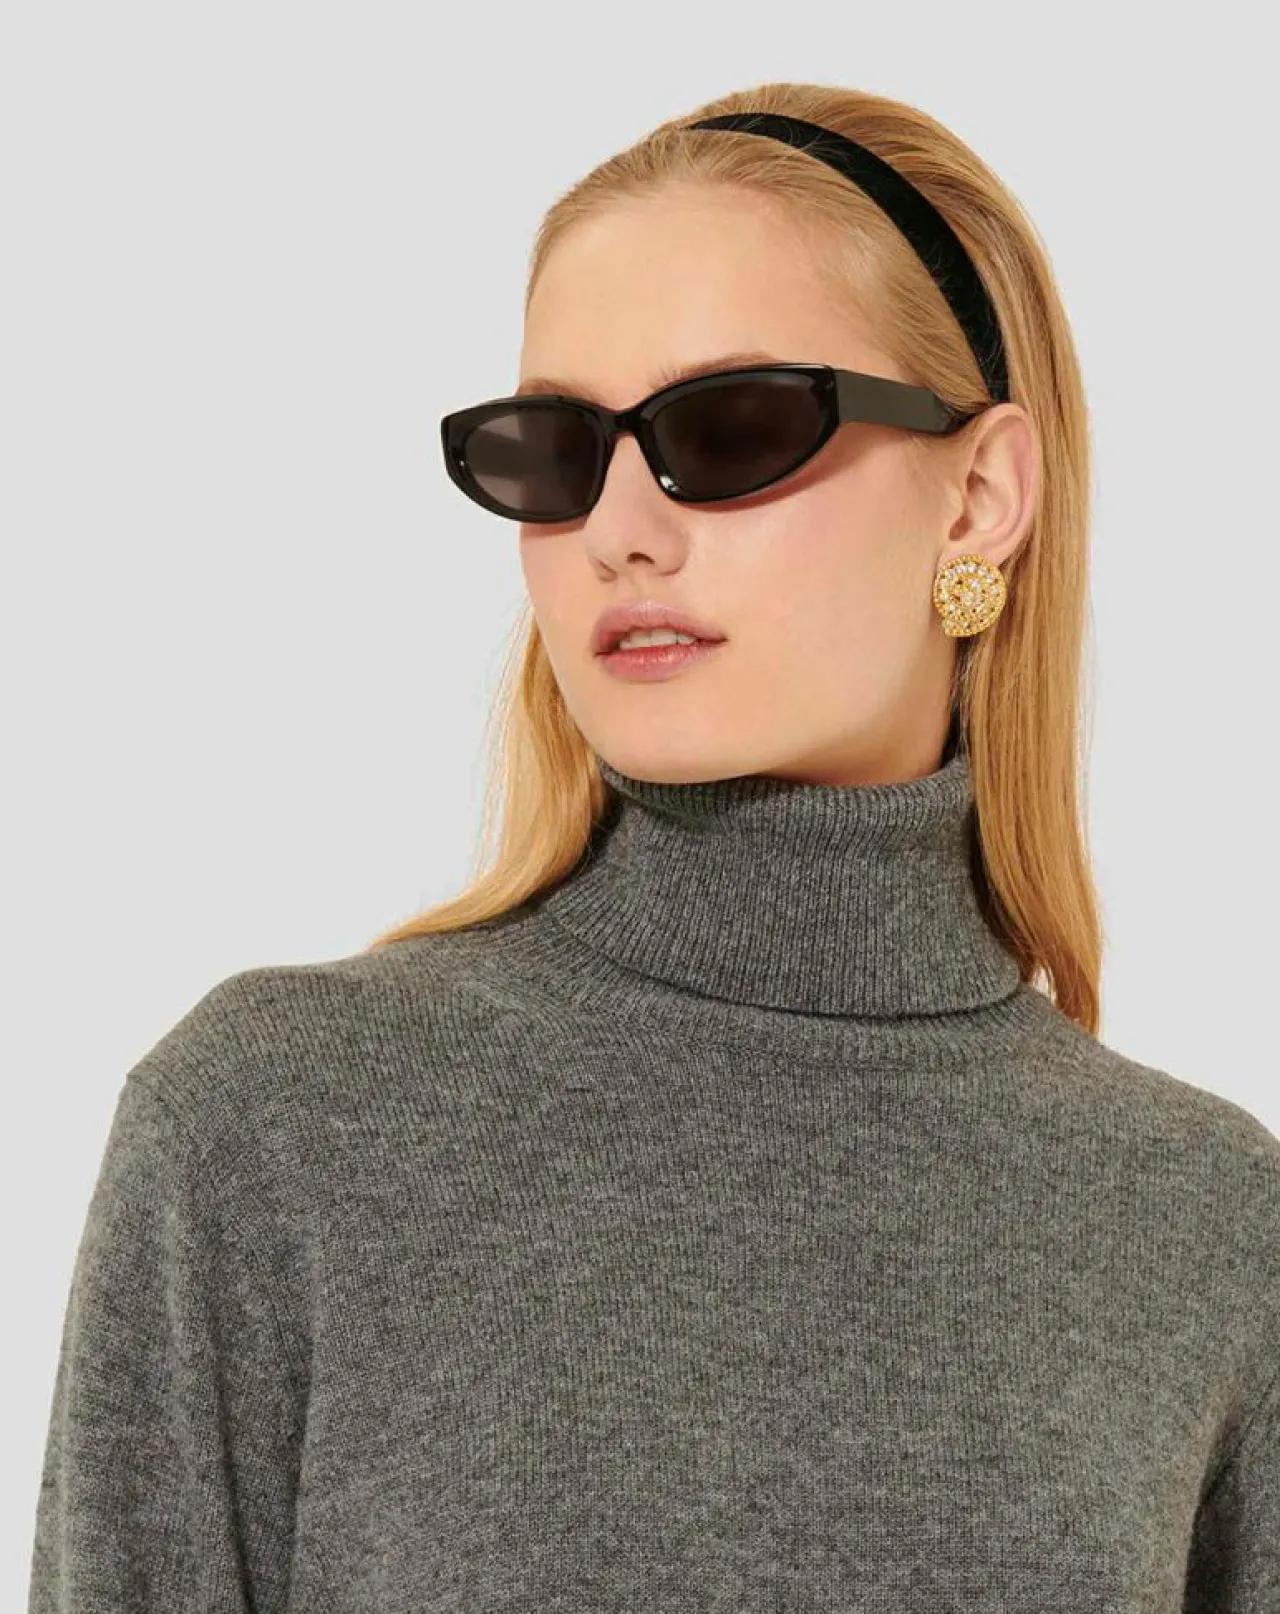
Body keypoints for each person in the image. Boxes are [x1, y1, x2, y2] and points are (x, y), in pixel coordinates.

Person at [27, 83, 1279, 1612]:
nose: (620, 526)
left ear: (979, 496)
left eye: (730, 430)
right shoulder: (273, 1129)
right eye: (555, 452)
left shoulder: (1208, 1223)